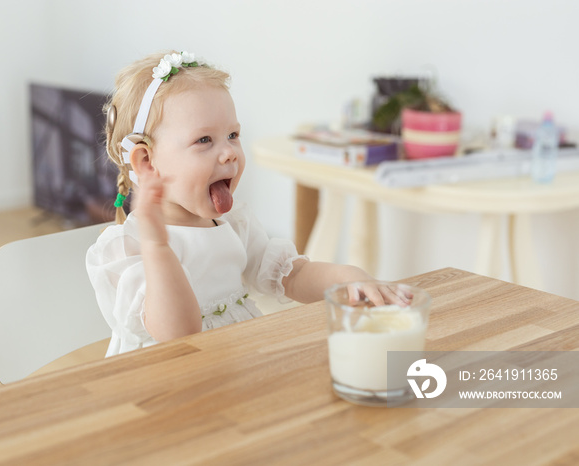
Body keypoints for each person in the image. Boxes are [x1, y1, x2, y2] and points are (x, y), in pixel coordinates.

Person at [86, 50, 409, 357]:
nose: (229, 153)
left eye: (233, 135)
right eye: (204, 140)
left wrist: (349, 277)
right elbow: (180, 333)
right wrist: (157, 244)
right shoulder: (128, 248)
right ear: (147, 161)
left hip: (235, 363)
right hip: (171, 388)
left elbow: (293, 276)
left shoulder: (234, 224)